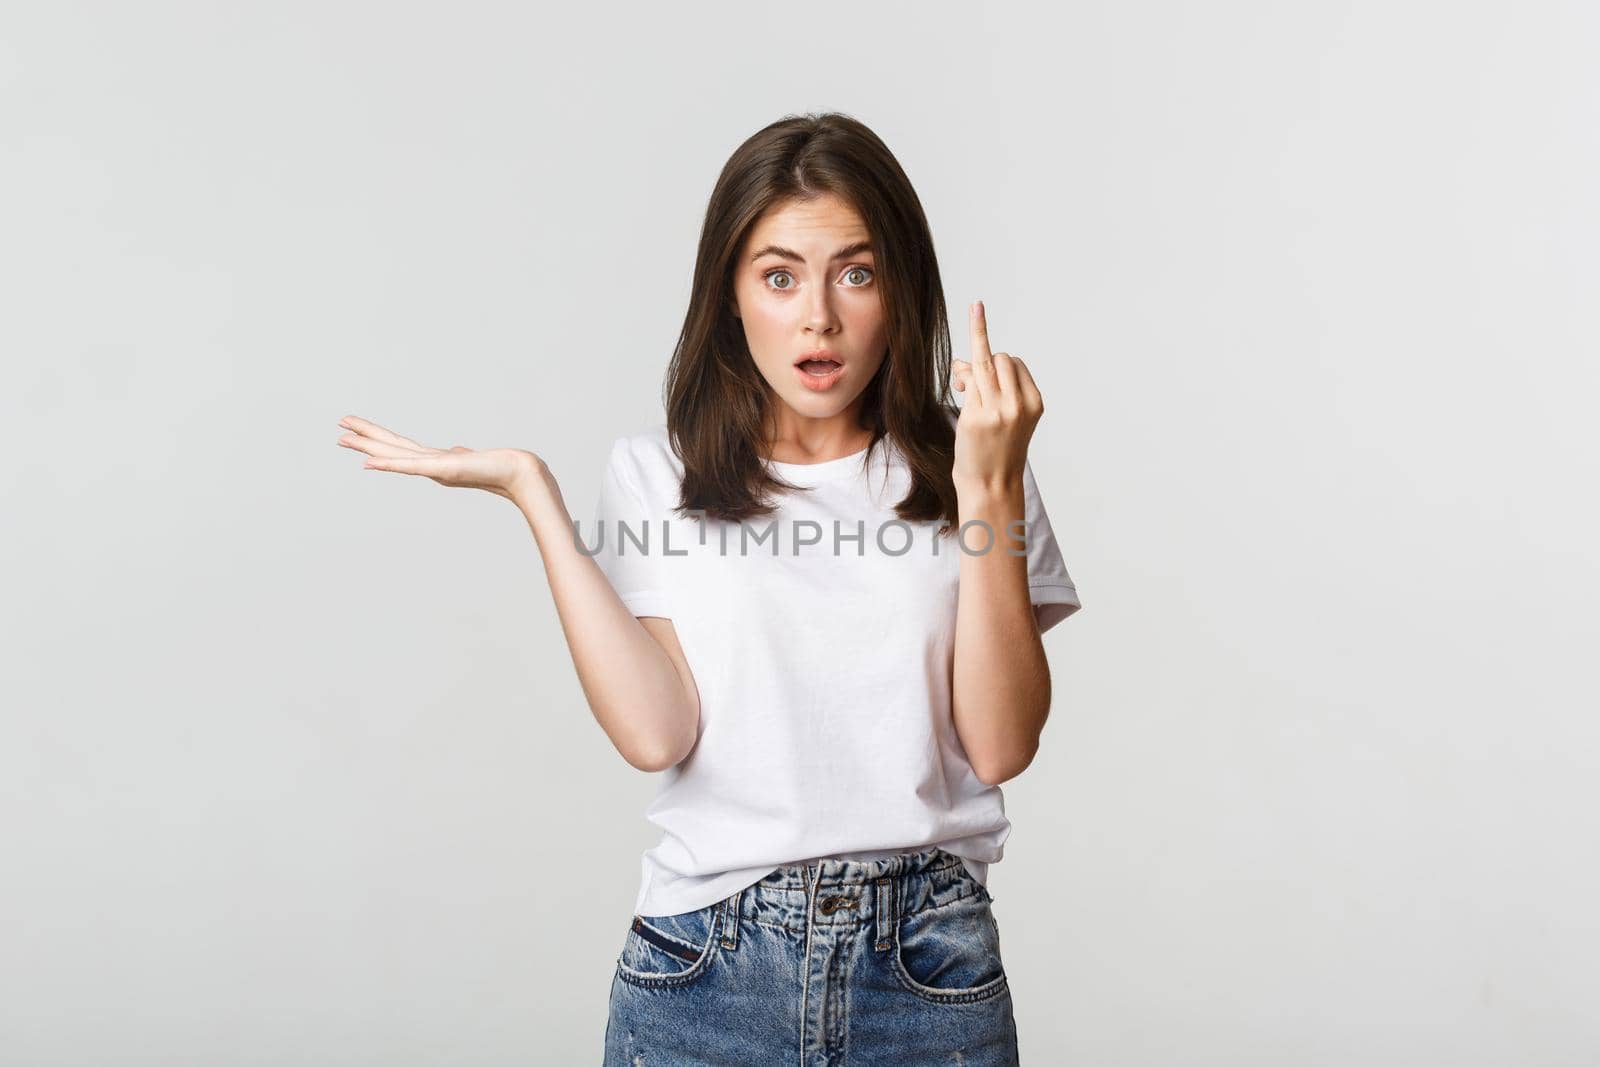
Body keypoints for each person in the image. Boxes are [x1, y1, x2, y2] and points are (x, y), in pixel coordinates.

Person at [335, 111, 1081, 1066]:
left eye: (855, 271)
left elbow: (1002, 741)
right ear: (730, 297)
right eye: (779, 276)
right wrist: (533, 493)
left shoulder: (978, 464)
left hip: (927, 969)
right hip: (708, 968)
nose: (819, 315)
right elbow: (657, 735)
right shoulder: (660, 475)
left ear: (901, 287)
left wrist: (988, 484)